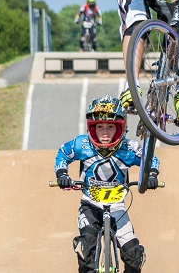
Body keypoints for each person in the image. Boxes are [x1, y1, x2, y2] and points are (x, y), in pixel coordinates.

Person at [54, 95, 160, 273]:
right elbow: (63, 154)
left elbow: (151, 159)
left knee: (134, 256)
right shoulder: (82, 144)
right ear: (91, 128)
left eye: (110, 127)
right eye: (99, 127)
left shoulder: (129, 148)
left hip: (118, 206)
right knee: (85, 249)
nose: (104, 132)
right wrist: (62, 174)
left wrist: (152, 175)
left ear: (121, 128)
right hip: (90, 204)